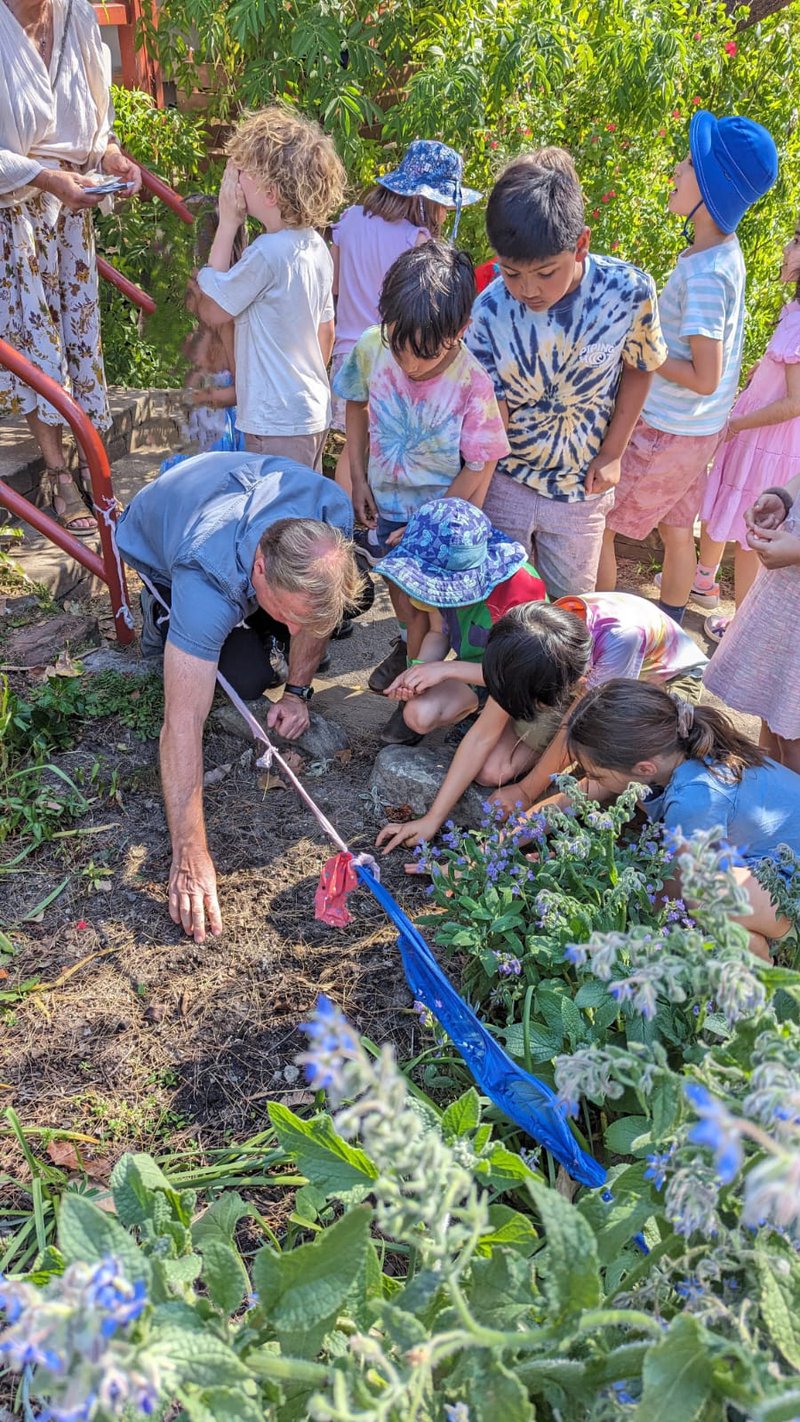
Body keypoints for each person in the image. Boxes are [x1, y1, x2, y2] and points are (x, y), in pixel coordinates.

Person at [115, 450, 363, 945]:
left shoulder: (332, 512)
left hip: (235, 516)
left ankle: (260, 628)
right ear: (260, 570)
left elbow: (312, 619)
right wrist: (190, 854)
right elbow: (181, 722)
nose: (299, 631)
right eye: (289, 616)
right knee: (243, 678)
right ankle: (160, 614)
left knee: (279, 648)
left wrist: (297, 693)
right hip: (161, 536)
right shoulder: (208, 575)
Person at [600, 111, 780, 623]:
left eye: (688, 163)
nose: (677, 168)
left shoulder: (705, 274)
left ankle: (594, 634)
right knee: (679, 532)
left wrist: (639, 347)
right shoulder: (721, 253)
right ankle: (672, 632)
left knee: (601, 525)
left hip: (665, 432)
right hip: (695, 434)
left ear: (710, 187)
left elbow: (704, 376)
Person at [464, 154, 666, 600]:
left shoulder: (629, 293)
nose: (528, 289)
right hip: (506, 483)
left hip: (581, 490)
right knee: (499, 608)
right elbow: (489, 419)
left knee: (572, 610)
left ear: (581, 245)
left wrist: (613, 453)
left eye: (545, 273)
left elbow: (640, 366)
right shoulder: (489, 312)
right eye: (511, 272)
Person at [376, 592, 707, 855]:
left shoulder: (620, 640)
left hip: (664, 679)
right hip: (579, 672)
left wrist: (527, 790)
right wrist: (433, 819)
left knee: (608, 766)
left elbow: (574, 727)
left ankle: (573, 786)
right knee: (494, 771)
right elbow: (482, 735)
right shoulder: (529, 640)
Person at [334, 239, 510, 690]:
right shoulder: (372, 347)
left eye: (425, 353)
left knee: (432, 612)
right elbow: (355, 404)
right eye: (399, 346)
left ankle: (419, 685)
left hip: (439, 522)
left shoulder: (472, 382)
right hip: (387, 509)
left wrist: (427, 526)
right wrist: (357, 477)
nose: (409, 364)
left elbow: (478, 464)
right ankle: (406, 648)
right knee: (401, 598)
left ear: (461, 329)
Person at [0, 0, 141, 535]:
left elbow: (97, 127)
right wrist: (46, 177)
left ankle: (87, 467)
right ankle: (58, 474)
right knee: (39, 351)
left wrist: (111, 159)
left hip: (72, 210)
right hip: (15, 210)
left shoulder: (77, 15)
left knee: (79, 340)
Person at [564, 679, 799, 959]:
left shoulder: (693, 799)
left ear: (643, 768)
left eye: (596, 775)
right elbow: (577, 794)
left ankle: (767, 962)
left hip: (789, 884)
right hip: (774, 862)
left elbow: (680, 886)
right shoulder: (681, 742)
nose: (590, 781)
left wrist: (637, 918)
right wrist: (517, 830)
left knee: (705, 899)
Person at [192, 105, 346, 471]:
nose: (234, 180)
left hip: (273, 419)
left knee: (274, 520)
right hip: (309, 410)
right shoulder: (314, 245)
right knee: (299, 513)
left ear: (270, 192)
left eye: (242, 172)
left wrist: (227, 222)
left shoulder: (267, 253)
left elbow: (213, 309)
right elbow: (327, 334)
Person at [330, 139, 480, 497]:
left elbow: (334, 285)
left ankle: (344, 524)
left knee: (353, 449)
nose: (445, 212)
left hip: (347, 350)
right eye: (443, 203)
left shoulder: (349, 219)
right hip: (398, 355)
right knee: (389, 448)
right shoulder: (418, 239)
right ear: (427, 199)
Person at [370, 497, 546, 745]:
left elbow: (523, 671)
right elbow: (438, 631)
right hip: (475, 667)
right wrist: (418, 673)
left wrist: (442, 669)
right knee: (418, 714)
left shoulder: (520, 589)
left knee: (491, 767)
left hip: (517, 676)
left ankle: (495, 715)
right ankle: (478, 706)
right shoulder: (435, 578)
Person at [698, 219, 800, 640]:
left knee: (750, 537)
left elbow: (795, 402)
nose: (787, 249)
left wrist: (737, 422)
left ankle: (740, 629)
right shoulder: (793, 310)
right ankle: (717, 597)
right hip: (763, 438)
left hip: (769, 443)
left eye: (796, 242)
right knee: (741, 526)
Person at [703, 473, 800, 775]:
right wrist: (784, 498)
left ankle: (788, 813)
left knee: (793, 734)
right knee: (773, 713)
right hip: (785, 599)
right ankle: (766, 798)